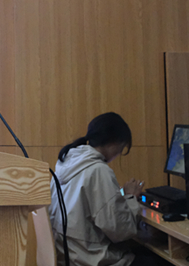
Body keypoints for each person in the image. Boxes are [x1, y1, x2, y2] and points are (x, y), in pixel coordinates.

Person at [49, 112, 163, 266]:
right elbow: (120, 230)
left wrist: (119, 195)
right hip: (90, 259)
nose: (118, 154)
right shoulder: (98, 170)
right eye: (121, 148)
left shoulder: (65, 163)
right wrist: (130, 197)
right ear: (114, 143)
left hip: (68, 256)